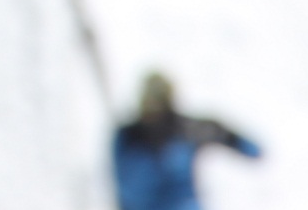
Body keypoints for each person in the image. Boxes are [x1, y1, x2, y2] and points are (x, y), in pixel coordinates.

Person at [111, 71, 262, 210]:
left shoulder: (185, 130)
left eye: (159, 104)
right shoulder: (129, 136)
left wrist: (228, 136)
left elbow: (255, 151)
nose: (154, 112)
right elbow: (130, 188)